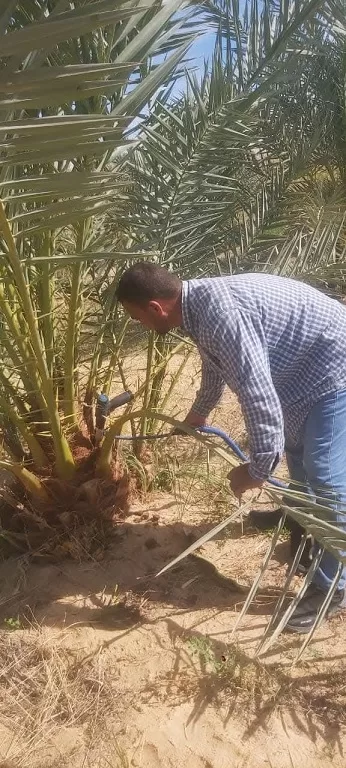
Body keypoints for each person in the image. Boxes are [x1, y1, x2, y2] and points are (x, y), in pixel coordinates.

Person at [115, 262, 346, 633]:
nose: (140, 325)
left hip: (334, 368)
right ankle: (303, 519)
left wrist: (256, 470)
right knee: (300, 461)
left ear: (156, 308)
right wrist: (199, 412)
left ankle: (333, 584)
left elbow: (258, 395)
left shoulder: (219, 313)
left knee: (325, 475)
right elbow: (215, 362)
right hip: (302, 370)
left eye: (137, 318)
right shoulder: (196, 307)